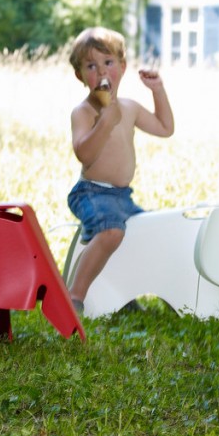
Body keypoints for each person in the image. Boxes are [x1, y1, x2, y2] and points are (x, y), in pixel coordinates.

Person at [66, 27, 174, 314]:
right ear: (80, 75)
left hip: (123, 196)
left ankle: (133, 297)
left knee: (151, 234)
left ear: (122, 67)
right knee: (112, 232)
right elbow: (84, 155)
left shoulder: (129, 107)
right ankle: (75, 296)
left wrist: (158, 90)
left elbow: (165, 128)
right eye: (91, 66)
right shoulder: (84, 112)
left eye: (108, 63)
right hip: (92, 193)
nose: (101, 71)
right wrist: (104, 122)